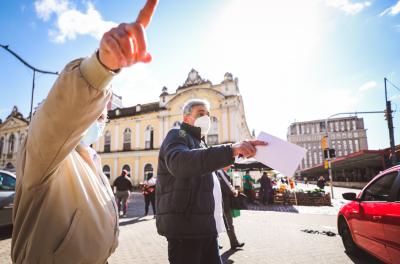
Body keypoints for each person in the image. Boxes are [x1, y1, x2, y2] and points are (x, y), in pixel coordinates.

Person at [10, 1, 158, 263]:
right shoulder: (46, 153)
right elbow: (61, 114)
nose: (97, 121)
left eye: (102, 117)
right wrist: (101, 68)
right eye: (92, 114)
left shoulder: (91, 160)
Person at [156, 99, 267, 264]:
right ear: (186, 119)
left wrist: (228, 157)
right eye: (200, 114)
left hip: (206, 227)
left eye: (208, 114)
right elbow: (180, 162)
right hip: (187, 229)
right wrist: (231, 149)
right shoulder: (178, 134)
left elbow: (200, 170)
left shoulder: (200, 143)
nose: (206, 118)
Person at [216, 169, 245, 251]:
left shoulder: (215, 169)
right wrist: (234, 192)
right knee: (228, 223)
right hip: (223, 202)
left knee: (220, 223)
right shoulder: (219, 170)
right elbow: (227, 186)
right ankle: (233, 242)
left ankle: (232, 242)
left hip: (217, 201)